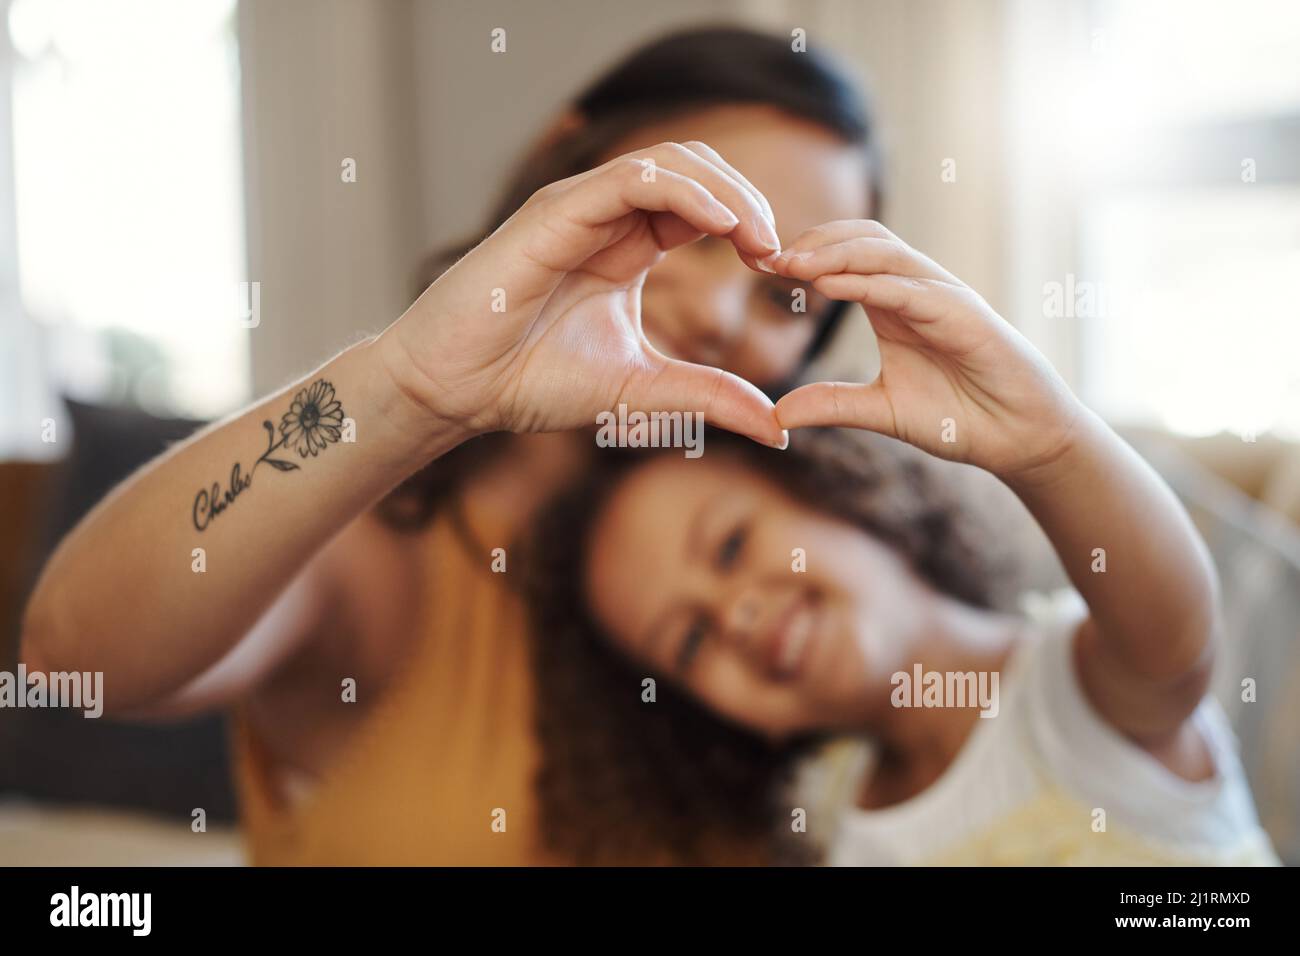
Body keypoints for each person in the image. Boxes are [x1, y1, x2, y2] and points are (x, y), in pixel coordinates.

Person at [21, 27, 881, 864]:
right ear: (566, 164)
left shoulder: (801, 580)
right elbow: (76, 659)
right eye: (691, 227)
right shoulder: (377, 546)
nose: (719, 315)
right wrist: (407, 390)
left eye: (786, 301)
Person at [524, 223, 1281, 866]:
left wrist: (1048, 446)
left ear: (841, 492)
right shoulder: (828, 819)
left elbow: (1174, 641)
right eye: (689, 642)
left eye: (728, 548)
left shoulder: (1070, 697)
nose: (739, 618)